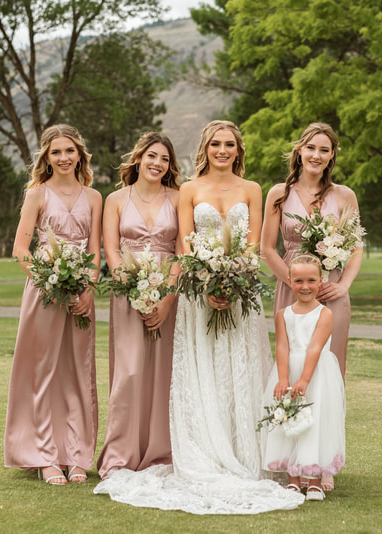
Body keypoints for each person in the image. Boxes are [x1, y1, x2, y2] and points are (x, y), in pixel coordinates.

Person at [94, 120, 304, 514]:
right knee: (203, 371)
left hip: (240, 295)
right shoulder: (188, 190)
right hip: (197, 294)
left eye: (229, 145)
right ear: (205, 148)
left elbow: (255, 245)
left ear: (238, 150)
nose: (222, 151)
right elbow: (185, 244)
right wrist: (207, 283)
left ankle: (245, 452)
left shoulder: (252, 189)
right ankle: (202, 450)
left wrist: (232, 280)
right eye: (215, 144)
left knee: (239, 373)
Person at [260, 122, 361, 491]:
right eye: (311, 148)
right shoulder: (277, 194)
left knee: (329, 377)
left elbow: (355, 247)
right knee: (291, 370)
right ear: (299, 151)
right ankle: (292, 459)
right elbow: (267, 249)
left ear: (332, 156)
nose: (316, 155)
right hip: (291, 289)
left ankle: (324, 462)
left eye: (324, 149)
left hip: (332, 292)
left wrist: (342, 285)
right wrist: (298, 284)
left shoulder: (345, 196)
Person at [4, 124, 102, 485]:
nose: (63, 158)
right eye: (56, 152)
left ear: (80, 154)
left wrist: (87, 289)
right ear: (46, 156)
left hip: (81, 293)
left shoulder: (94, 197)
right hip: (44, 292)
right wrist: (49, 281)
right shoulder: (37, 195)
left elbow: (95, 249)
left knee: (77, 372)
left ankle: (75, 455)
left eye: (70, 151)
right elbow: (20, 250)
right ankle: (44, 455)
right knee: (42, 372)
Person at [96, 132, 181, 480]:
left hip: (169, 292)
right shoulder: (115, 199)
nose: (157, 163)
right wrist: (133, 289)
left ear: (169, 165)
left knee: (164, 373)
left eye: (164, 158)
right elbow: (111, 250)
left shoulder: (178, 197)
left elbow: (183, 251)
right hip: (127, 292)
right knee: (129, 373)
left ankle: (161, 452)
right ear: (139, 158)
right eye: (151, 156)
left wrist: (164, 300)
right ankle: (120, 455)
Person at [261, 254, 346, 502]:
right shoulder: (282, 314)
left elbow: (314, 348)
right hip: (289, 371)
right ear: (289, 281)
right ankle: (294, 480)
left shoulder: (325, 314)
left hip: (316, 374)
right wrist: (283, 378)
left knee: (315, 422)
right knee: (288, 421)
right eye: (298, 281)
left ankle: (315, 480)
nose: (305, 286)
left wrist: (304, 380)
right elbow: (282, 348)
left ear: (321, 280)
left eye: (311, 280)